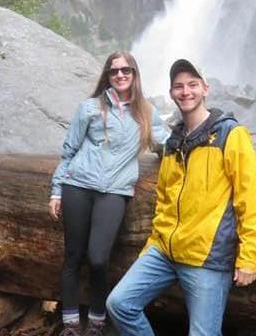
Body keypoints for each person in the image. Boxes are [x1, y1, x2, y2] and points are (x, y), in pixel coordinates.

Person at [106, 58, 256, 336]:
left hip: (207, 257)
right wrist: (154, 244)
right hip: (165, 251)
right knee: (120, 304)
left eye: (192, 85)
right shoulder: (173, 142)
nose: (185, 91)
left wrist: (250, 257)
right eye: (178, 86)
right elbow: (165, 200)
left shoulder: (230, 134)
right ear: (171, 94)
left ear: (206, 89)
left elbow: (250, 198)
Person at [49, 51, 168, 336]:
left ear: (135, 75)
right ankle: (70, 324)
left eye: (126, 70)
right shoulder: (89, 107)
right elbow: (69, 152)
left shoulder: (147, 113)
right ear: (107, 75)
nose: (120, 75)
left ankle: (97, 320)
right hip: (78, 185)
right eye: (114, 71)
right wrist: (56, 191)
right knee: (74, 256)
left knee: (99, 258)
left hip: (115, 190)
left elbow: (164, 144)